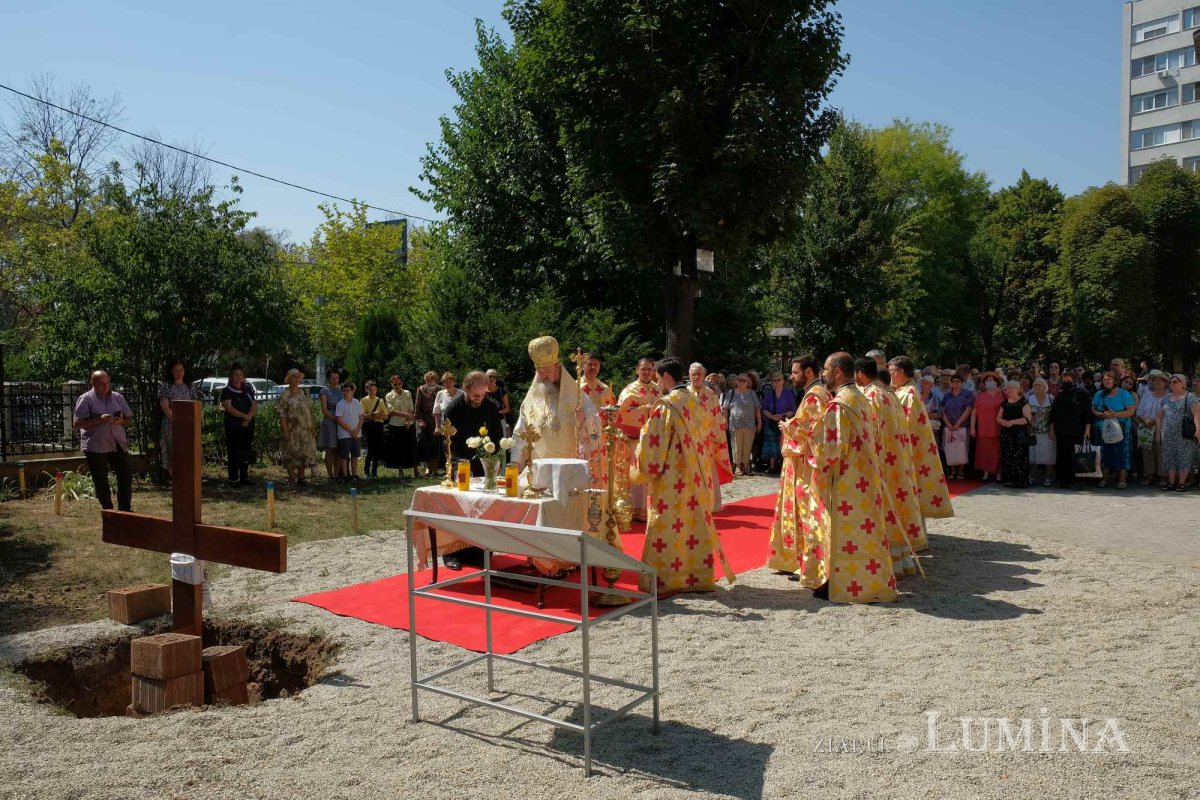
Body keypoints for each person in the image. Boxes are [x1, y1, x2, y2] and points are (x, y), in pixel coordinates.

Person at [791, 353, 897, 603]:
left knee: (838, 533)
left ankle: (837, 583)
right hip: (866, 476)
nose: (823, 374)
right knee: (863, 533)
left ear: (837, 372)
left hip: (845, 480)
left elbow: (831, 449)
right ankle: (865, 583)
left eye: (826, 370)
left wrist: (808, 451)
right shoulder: (861, 398)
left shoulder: (840, 404)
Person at [632, 358, 733, 594]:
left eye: (658, 378)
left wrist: (637, 464)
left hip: (672, 479)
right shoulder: (698, 401)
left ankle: (666, 580)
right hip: (698, 476)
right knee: (693, 527)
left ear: (666, 377)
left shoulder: (666, 406)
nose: (658, 383)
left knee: (667, 526)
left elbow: (653, 446)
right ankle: (696, 577)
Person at [855, 358, 919, 575]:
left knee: (881, 512)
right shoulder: (888, 394)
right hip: (895, 461)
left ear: (859, 374)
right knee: (894, 511)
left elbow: (869, 432)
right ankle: (900, 562)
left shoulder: (870, 396)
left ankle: (884, 565)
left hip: (880, 462)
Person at [767, 354, 829, 574]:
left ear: (808, 372)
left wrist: (788, 427)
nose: (792, 376)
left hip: (803, 465)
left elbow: (811, 432)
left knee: (803, 511)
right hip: (801, 462)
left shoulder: (814, 396)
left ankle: (804, 559)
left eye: (795, 372)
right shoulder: (815, 393)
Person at [440, 371, 505, 570]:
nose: (480, 399)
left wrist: (495, 460)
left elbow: (497, 437)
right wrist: (459, 465)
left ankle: (480, 551)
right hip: (461, 462)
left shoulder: (491, 407)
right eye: (476, 395)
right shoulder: (454, 408)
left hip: (484, 463)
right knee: (458, 508)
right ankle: (452, 552)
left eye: (483, 395)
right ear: (466, 389)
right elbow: (449, 441)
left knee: (484, 508)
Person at [510, 336, 600, 467]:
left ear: (558, 369)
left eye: (547, 370)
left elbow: (596, 428)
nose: (544, 376)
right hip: (537, 469)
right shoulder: (530, 400)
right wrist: (516, 463)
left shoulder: (576, 396)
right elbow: (519, 434)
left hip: (567, 469)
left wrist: (584, 421)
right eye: (540, 372)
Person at [888, 357, 954, 531]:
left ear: (900, 372)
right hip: (915, 448)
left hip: (909, 450)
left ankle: (913, 532)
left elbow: (903, 426)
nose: (889, 375)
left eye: (890, 371)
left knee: (910, 491)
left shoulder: (907, 394)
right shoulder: (907, 392)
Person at [73, 370, 134, 511]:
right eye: (101, 384)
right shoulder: (86, 398)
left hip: (117, 442)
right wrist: (99, 420)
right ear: (92, 383)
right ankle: (108, 510)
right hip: (96, 445)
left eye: (107, 383)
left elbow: (129, 419)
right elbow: (77, 424)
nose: (105, 386)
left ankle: (125, 510)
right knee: (101, 480)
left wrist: (121, 421)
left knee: (125, 476)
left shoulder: (117, 397)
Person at [616, 357, 664, 521]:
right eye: (643, 369)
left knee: (652, 475)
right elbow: (621, 414)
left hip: (654, 441)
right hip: (635, 440)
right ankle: (635, 510)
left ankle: (651, 508)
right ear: (637, 370)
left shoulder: (658, 390)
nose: (646, 372)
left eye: (649, 369)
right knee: (637, 476)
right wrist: (646, 410)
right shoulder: (629, 390)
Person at [687, 362, 733, 512]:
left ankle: (711, 503)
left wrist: (714, 436)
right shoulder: (684, 394)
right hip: (690, 442)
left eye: (699, 374)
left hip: (707, 441)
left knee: (709, 472)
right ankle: (692, 505)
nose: (696, 377)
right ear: (689, 375)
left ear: (704, 376)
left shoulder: (710, 394)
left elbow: (717, 417)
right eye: (693, 374)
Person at [1092, 371, 1136, 489]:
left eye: (1109, 379)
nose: (1106, 381)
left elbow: (1131, 411)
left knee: (1122, 453)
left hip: (1121, 428)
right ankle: (1104, 479)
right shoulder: (1099, 394)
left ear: (1115, 380)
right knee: (1105, 453)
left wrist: (1116, 414)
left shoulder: (1124, 394)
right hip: (1103, 427)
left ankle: (1122, 479)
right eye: (1104, 379)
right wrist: (1101, 414)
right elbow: (1093, 409)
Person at [579, 354, 617, 489]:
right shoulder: (576, 388)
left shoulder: (606, 389)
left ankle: (602, 503)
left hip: (601, 437)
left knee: (602, 470)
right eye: (589, 364)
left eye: (596, 364)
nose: (593, 367)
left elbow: (614, 414)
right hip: (582, 437)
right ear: (583, 366)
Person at [1157, 374, 1200, 492]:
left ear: (1183, 383)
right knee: (1170, 457)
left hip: (1184, 433)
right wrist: (1158, 433)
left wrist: (1198, 429)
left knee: (1184, 457)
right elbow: (1159, 417)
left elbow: (1197, 415)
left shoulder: (1190, 397)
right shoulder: (1166, 398)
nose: (1172, 384)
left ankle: (1181, 483)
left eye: (1175, 381)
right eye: (1170, 382)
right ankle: (1171, 482)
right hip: (1168, 433)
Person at [1048, 374, 1092, 490]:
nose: (1066, 382)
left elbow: (1088, 413)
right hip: (1061, 431)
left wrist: (1088, 429)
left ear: (1074, 381)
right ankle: (1062, 480)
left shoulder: (1082, 394)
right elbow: (1053, 414)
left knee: (1076, 456)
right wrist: (1052, 429)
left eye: (1069, 380)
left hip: (1077, 431)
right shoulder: (1060, 395)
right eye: (1064, 380)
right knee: (1062, 456)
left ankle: (1077, 481)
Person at [277, 367, 320, 485]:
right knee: (291, 452)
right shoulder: (285, 394)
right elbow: (282, 415)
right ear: (289, 379)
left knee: (304, 452)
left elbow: (308, 410)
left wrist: (312, 426)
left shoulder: (304, 392)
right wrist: (285, 431)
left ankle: (301, 476)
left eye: (298, 377)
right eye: (294, 377)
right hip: (291, 429)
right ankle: (292, 476)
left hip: (305, 428)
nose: (297, 379)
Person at [158, 359, 197, 478]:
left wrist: (188, 422)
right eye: (176, 371)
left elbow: (196, 404)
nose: (179, 373)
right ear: (171, 371)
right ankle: (176, 481)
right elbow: (165, 407)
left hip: (188, 426)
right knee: (173, 454)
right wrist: (178, 422)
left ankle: (186, 481)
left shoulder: (190, 387)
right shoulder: (167, 387)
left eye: (181, 370)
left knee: (187, 453)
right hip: (171, 425)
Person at [220, 365, 258, 487]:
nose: (239, 377)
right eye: (236, 375)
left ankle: (244, 476)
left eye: (241, 375)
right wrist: (243, 416)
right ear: (231, 377)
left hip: (248, 425)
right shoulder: (227, 390)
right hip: (233, 425)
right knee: (233, 451)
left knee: (245, 450)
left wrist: (249, 417)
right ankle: (233, 478)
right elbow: (229, 407)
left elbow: (254, 404)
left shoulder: (247, 389)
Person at [722, 373, 762, 476]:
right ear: (736, 381)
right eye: (740, 380)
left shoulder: (752, 393)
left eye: (744, 380)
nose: (742, 382)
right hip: (735, 424)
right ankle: (738, 466)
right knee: (736, 446)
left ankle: (746, 465)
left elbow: (757, 408)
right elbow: (725, 409)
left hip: (750, 424)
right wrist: (725, 421)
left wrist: (760, 422)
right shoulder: (730, 393)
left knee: (747, 446)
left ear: (748, 382)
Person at [1135, 370, 1169, 486]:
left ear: (1166, 383)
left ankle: (1164, 477)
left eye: (1160, 381)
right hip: (1146, 427)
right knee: (1147, 452)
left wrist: (1158, 421)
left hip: (1163, 428)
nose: (1157, 382)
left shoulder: (1169, 396)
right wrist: (1145, 420)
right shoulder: (1147, 395)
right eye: (1154, 380)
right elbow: (1139, 412)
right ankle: (1150, 475)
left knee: (1162, 452)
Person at [760, 371, 797, 474]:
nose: (776, 382)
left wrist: (782, 415)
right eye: (774, 380)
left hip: (784, 422)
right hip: (771, 422)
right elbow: (764, 409)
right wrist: (772, 416)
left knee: (783, 443)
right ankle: (772, 466)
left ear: (783, 381)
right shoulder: (768, 394)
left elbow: (793, 409)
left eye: (778, 380)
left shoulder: (788, 394)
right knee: (771, 444)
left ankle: (783, 466)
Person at [997, 381, 1032, 489]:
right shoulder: (1004, 403)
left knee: (1020, 457)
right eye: (1007, 388)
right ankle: (1009, 480)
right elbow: (998, 417)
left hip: (1019, 434)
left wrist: (1012, 422)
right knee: (1007, 456)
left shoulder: (1024, 402)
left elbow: (1027, 419)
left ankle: (1021, 481)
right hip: (1006, 434)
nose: (1009, 389)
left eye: (1011, 387)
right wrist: (1002, 422)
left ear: (1018, 389)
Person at [971, 371, 1004, 481]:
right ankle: (986, 473)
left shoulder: (1003, 394)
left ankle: (999, 473)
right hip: (983, 427)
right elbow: (974, 412)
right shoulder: (980, 396)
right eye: (988, 380)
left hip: (999, 427)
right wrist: (972, 427)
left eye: (992, 380)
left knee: (998, 451)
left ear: (997, 382)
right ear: (984, 383)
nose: (990, 382)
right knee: (984, 450)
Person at [384, 375, 418, 478]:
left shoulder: (407, 393)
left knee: (412, 447)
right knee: (398, 448)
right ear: (391, 384)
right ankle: (400, 470)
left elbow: (411, 408)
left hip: (409, 424)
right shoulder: (389, 396)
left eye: (399, 384)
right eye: (395, 384)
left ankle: (416, 470)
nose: (397, 386)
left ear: (402, 383)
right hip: (396, 425)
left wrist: (408, 421)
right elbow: (391, 411)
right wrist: (407, 416)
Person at [941, 375, 974, 480]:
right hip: (949, 426)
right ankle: (952, 471)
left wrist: (958, 423)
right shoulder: (946, 396)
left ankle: (960, 471)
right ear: (950, 383)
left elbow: (968, 409)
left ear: (962, 383)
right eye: (953, 381)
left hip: (962, 426)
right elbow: (943, 411)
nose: (955, 382)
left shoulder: (968, 394)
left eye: (958, 381)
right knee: (950, 448)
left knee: (962, 448)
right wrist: (949, 424)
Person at [1026, 378, 1055, 486]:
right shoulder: (1030, 398)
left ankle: (1048, 478)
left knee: (1049, 455)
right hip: (1033, 431)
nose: (1037, 387)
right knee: (1033, 455)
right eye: (1035, 385)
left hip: (1048, 432)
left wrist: (1053, 429)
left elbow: (1054, 415)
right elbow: (1025, 414)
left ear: (1045, 387)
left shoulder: (1051, 398)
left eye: (1039, 385)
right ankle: (1032, 477)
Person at [317, 368, 343, 481]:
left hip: (341, 421)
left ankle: (337, 474)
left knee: (338, 449)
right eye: (333, 378)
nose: (335, 380)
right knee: (330, 449)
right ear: (328, 378)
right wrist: (335, 419)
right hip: (330, 421)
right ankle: (330, 475)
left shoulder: (341, 389)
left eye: (337, 378)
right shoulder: (324, 391)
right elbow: (324, 410)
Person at [334, 382, 363, 482]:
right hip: (344, 434)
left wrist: (357, 430)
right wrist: (351, 431)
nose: (345, 392)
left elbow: (361, 418)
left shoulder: (357, 402)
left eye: (348, 391)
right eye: (344, 391)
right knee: (344, 456)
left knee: (355, 456)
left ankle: (354, 475)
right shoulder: (340, 404)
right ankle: (345, 476)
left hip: (357, 434)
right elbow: (339, 420)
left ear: (352, 391)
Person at [414, 370, 441, 476]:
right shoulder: (421, 389)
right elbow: (417, 406)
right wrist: (420, 420)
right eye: (427, 380)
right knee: (425, 444)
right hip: (424, 420)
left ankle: (434, 469)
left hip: (436, 420)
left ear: (435, 379)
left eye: (431, 379)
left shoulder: (440, 389)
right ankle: (427, 468)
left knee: (435, 445)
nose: (429, 382)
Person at [360, 380, 388, 479]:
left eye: (374, 390)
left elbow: (385, 416)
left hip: (379, 427)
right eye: (370, 390)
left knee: (377, 449)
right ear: (366, 390)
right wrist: (373, 415)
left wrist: (374, 415)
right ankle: (366, 472)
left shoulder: (380, 400)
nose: (373, 392)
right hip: (369, 427)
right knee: (370, 449)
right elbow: (362, 416)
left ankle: (374, 472)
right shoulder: (363, 400)